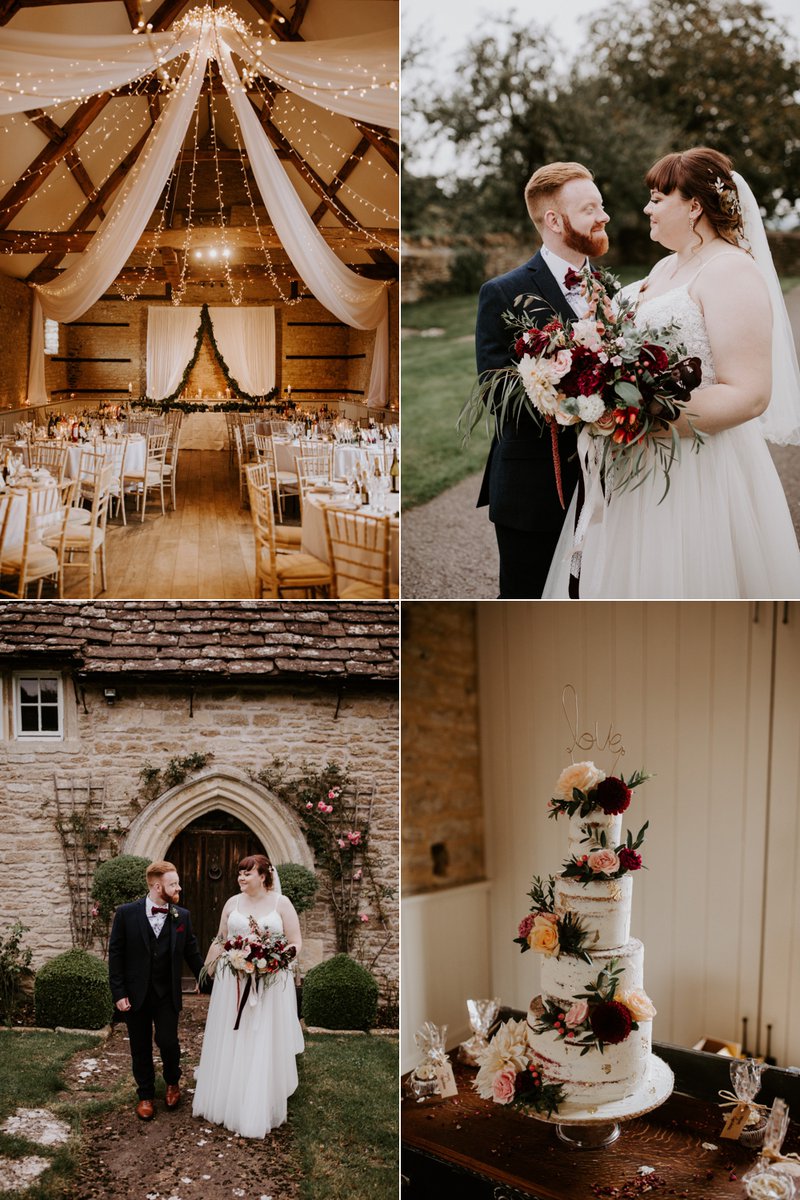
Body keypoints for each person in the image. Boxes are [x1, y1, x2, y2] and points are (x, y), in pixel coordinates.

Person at [543, 146, 800, 599]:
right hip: (631, 470)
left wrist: (639, 418)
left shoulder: (732, 271)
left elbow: (750, 394)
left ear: (695, 205)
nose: (647, 208)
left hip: (696, 473)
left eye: (659, 198)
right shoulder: (664, 267)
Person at [475, 161, 610, 597]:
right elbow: (496, 393)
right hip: (533, 486)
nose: (603, 216)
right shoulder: (503, 291)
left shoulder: (608, 292)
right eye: (590, 208)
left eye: (601, 205)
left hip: (604, 487)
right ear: (554, 220)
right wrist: (571, 391)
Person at [192, 854, 304, 1139]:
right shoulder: (232, 903)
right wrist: (205, 972)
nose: (241, 878)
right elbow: (220, 939)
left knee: (261, 1035)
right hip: (234, 983)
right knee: (233, 1034)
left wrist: (275, 960)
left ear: (264, 876)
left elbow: (295, 942)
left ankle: (262, 1097)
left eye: (247, 873)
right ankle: (230, 1093)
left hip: (270, 982)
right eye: (240, 874)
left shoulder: (282, 904)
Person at [108, 860, 205, 1121]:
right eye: (173, 884)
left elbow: (192, 953)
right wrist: (119, 993)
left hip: (166, 994)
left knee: (167, 1041)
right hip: (135, 994)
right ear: (157, 885)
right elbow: (115, 955)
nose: (179, 888)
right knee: (140, 1046)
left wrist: (209, 982)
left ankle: (172, 1082)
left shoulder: (181, 916)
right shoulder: (126, 913)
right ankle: (146, 1095)